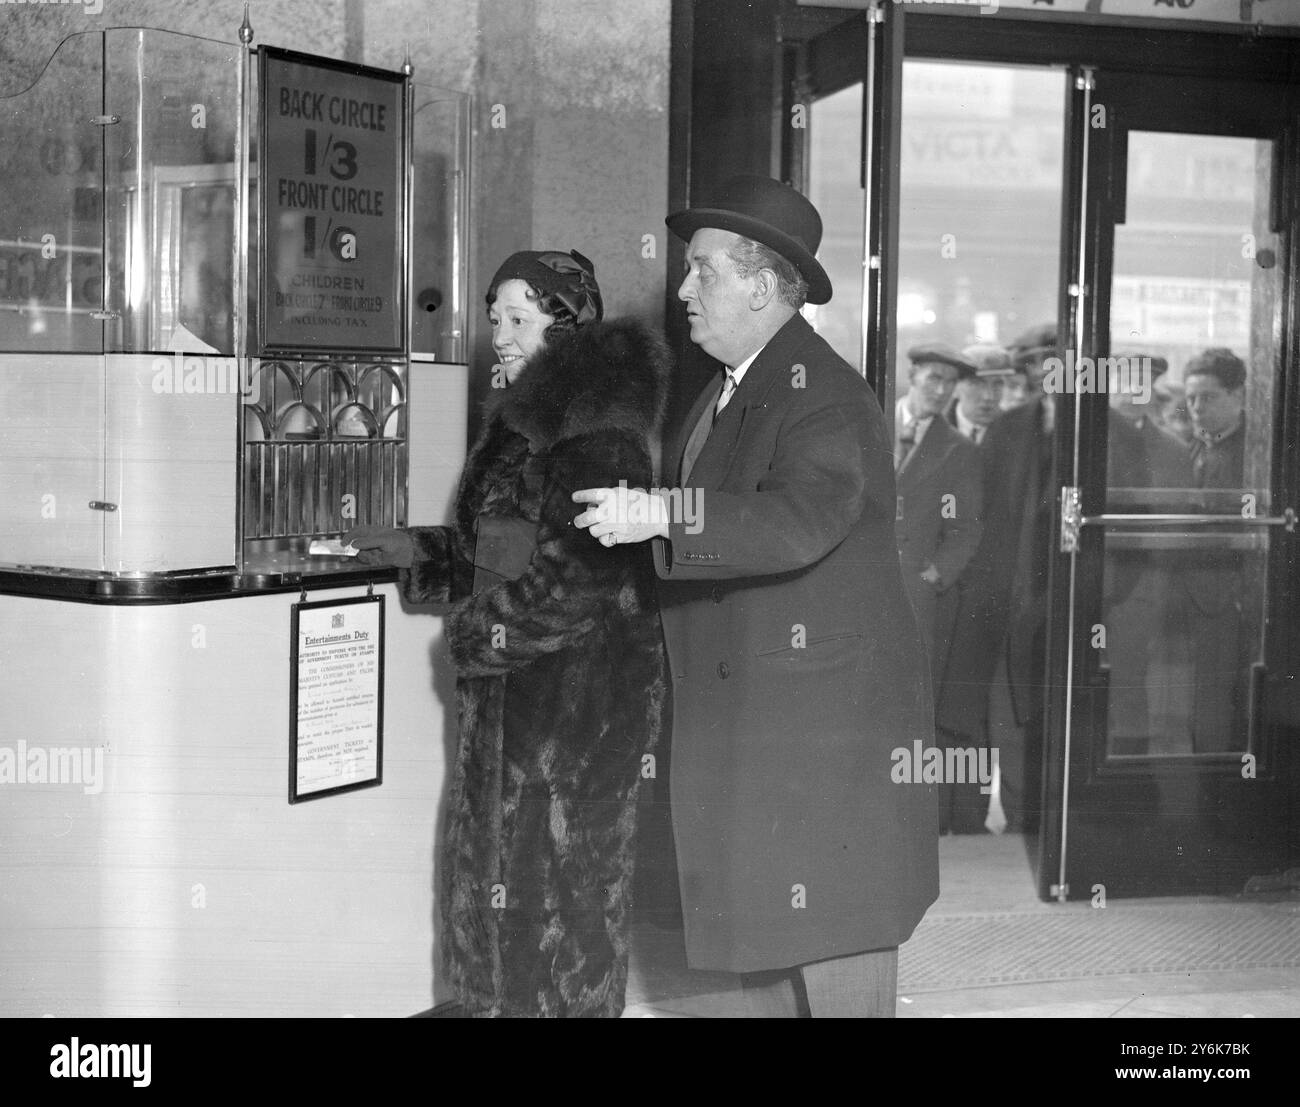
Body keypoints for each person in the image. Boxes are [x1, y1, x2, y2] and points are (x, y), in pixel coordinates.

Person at [573, 176, 938, 1017]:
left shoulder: (829, 395)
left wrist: (661, 512)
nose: (682, 288)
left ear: (764, 285)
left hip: (818, 753)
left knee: (834, 967)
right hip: (761, 739)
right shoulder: (732, 383)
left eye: (702, 271)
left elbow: (795, 521)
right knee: (757, 963)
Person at [346, 250, 670, 1017]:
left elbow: (580, 575)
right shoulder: (528, 418)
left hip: (573, 713)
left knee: (563, 912)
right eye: (495, 317)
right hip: (520, 701)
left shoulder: (599, 426)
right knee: (506, 904)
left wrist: (475, 635)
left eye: (519, 318)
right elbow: (498, 548)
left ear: (566, 325)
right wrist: (406, 550)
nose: (500, 335)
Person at [937, 322, 1058, 834]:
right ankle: (957, 824)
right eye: (979, 383)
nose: (990, 395)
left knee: (1010, 720)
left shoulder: (1020, 433)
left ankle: (1014, 825)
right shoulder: (940, 435)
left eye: (1000, 384)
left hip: (1015, 608)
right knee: (959, 722)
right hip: (959, 605)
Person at [896, 343, 985, 832]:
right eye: (933, 378)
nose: (941, 390)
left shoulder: (958, 450)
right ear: (912, 376)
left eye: (950, 383)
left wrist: (935, 574)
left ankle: (911, 819)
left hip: (916, 596)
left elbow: (966, 527)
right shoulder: (871, 422)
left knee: (915, 701)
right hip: (859, 588)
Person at [951, 343, 1013, 443]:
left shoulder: (1018, 432)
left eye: (997, 384)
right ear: (955, 387)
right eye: (977, 384)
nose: (989, 396)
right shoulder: (931, 430)